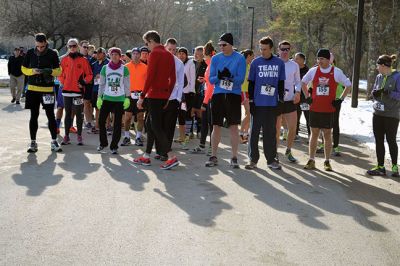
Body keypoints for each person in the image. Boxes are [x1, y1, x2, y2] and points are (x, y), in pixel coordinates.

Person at [133, 30, 178, 170]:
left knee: (156, 126)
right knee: (150, 124)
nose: (147, 46)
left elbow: (150, 77)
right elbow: (173, 79)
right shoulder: (169, 55)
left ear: (152, 41)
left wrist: (142, 96)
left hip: (153, 95)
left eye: (147, 43)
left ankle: (171, 156)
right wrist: (167, 96)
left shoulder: (155, 54)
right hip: (164, 95)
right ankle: (146, 156)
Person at [302, 48, 351, 171]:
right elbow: (303, 82)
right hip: (315, 108)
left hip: (328, 109)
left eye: (322, 59)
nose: (319, 61)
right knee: (314, 134)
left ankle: (327, 161)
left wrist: (340, 99)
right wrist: (307, 97)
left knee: (327, 134)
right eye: (318, 59)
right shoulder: (314, 71)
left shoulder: (336, 72)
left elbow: (348, 85)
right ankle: (311, 159)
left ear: (329, 60)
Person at [205, 32, 246, 168]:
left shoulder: (240, 58)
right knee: (216, 126)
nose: (221, 47)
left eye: (224, 44)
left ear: (231, 45)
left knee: (233, 126)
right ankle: (213, 155)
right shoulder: (216, 59)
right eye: (220, 45)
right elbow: (210, 79)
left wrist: (230, 77)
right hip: (218, 95)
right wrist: (220, 76)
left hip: (233, 95)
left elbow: (240, 79)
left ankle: (234, 157)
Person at [245, 36, 285, 170]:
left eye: (265, 49)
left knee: (270, 133)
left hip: (272, 104)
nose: (262, 51)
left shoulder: (279, 63)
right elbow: (251, 83)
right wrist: (251, 101)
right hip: (258, 103)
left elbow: (280, 83)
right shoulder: (256, 63)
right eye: (260, 49)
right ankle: (253, 160)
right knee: (254, 133)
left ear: (271, 48)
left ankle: (271, 160)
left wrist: (280, 101)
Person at [21, 33, 62, 152]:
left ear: (45, 43)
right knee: (34, 116)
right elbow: (23, 69)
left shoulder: (53, 53)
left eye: (42, 46)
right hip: (32, 89)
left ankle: (54, 141)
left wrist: (49, 71)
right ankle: (33, 142)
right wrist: (32, 71)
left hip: (47, 90)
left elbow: (59, 71)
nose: (40, 48)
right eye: (38, 46)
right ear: (35, 43)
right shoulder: (29, 53)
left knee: (51, 116)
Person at [367, 55, 400, 177]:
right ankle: (380, 167)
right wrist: (374, 93)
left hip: (391, 114)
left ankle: (395, 167)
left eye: (378, 66)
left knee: (391, 140)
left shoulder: (397, 77)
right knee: (379, 140)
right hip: (378, 113)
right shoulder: (379, 77)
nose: (377, 68)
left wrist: (389, 92)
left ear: (384, 66)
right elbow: (374, 91)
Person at [59, 38, 93, 145]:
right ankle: (66, 136)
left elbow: (89, 75)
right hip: (66, 91)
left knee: (79, 114)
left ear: (77, 46)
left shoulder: (83, 60)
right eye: (70, 46)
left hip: (78, 92)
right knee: (68, 114)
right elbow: (60, 74)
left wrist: (83, 82)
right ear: (67, 47)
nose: (72, 48)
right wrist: (64, 82)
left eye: (74, 46)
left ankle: (79, 136)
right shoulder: (64, 60)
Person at [96, 47, 131, 154]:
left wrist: (127, 97)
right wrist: (99, 97)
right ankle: (103, 143)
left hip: (119, 99)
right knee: (101, 121)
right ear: (109, 56)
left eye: (116, 54)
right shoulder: (105, 68)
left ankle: (114, 146)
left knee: (117, 124)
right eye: (112, 54)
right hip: (107, 98)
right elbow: (101, 84)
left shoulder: (124, 69)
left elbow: (127, 85)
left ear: (120, 56)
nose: (114, 56)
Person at [275, 41, 301, 163]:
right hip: (276, 100)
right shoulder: (274, 62)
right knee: (276, 128)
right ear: (278, 50)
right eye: (283, 49)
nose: (285, 52)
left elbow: (298, 81)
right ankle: (274, 152)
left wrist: (298, 92)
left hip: (290, 99)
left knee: (292, 127)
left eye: (287, 49)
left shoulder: (294, 65)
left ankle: (288, 150)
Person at [191, 41, 215, 155]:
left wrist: (205, 103)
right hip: (207, 96)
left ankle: (211, 148)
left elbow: (211, 87)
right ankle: (202, 146)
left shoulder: (212, 65)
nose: (203, 58)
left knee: (211, 124)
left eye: (204, 55)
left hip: (211, 99)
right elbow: (209, 82)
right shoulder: (210, 64)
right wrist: (204, 80)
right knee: (205, 122)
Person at [122, 47, 147, 146]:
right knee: (127, 117)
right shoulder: (126, 67)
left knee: (140, 117)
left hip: (141, 95)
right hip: (129, 95)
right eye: (134, 54)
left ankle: (138, 137)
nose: (136, 55)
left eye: (138, 54)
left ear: (140, 55)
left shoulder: (145, 67)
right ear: (131, 55)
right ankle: (127, 137)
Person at [177, 47, 196, 149]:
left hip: (188, 93)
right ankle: (182, 136)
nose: (181, 55)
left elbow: (192, 79)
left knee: (188, 114)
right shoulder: (177, 64)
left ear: (186, 55)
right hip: (180, 94)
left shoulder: (190, 64)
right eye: (179, 53)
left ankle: (187, 134)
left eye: (183, 53)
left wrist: (192, 91)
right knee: (181, 115)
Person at [90, 47, 109, 134]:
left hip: (106, 90)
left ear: (104, 54)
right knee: (97, 108)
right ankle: (97, 126)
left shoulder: (108, 63)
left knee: (106, 108)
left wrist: (102, 76)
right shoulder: (94, 64)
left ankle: (107, 126)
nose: (97, 54)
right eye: (96, 53)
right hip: (95, 89)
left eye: (99, 53)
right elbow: (90, 75)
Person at [294, 52, 310, 140]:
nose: (295, 60)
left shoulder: (308, 70)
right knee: (296, 116)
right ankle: (295, 134)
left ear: (302, 60)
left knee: (307, 116)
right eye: (294, 58)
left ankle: (310, 135)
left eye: (297, 58)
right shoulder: (294, 69)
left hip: (305, 98)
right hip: (296, 96)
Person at [239, 49, 254, 144]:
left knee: (248, 114)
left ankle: (245, 134)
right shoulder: (242, 64)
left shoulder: (249, 65)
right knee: (249, 114)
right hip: (242, 91)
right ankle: (241, 133)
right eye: (252, 56)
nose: (253, 58)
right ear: (248, 56)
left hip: (247, 91)